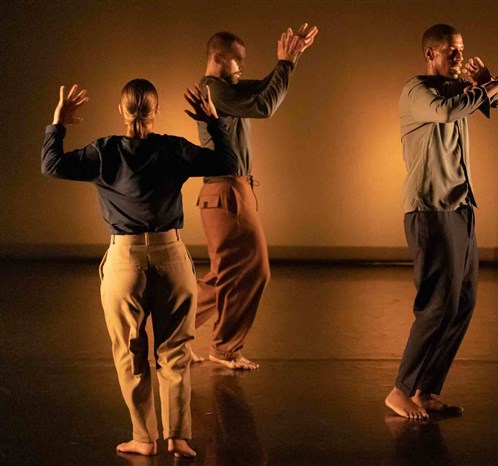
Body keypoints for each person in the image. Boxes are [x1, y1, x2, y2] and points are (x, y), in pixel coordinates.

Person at [41, 80, 237, 457]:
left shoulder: (104, 151)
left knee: (131, 354)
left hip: (124, 261)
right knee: (175, 351)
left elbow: (51, 165)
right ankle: (177, 437)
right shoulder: (172, 148)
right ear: (156, 110)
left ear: (122, 110)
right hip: (171, 257)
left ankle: (143, 439)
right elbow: (229, 164)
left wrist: (58, 123)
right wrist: (213, 121)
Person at [385, 24, 498, 420]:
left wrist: (491, 82)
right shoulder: (417, 91)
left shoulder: (459, 90)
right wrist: (485, 88)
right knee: (437, 303)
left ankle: (426, 390)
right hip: (429, 209)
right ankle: (400, 390)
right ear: (431, 54)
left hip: (460, 208)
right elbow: (446, 112)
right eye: (451, 51)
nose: (459, 57)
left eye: (461, 50)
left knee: (463, 302)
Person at [193, 24, 318, 370]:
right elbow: (265, 105)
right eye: (238, 60)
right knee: (255, 270)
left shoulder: (224, 90)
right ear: (218, 59)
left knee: (222, 277)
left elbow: (264, 87)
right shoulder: (215, 91)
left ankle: (172, 337)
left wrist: (291, 59)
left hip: (232, 190)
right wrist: (285, 63)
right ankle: (224, 348)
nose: (243, 66)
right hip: (226, 191)